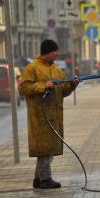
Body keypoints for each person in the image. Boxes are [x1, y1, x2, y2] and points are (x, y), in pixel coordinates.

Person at [18, 39, 79, 189]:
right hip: (40, 116)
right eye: (54, 52)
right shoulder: (32, 68)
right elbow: (23, 89)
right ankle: (45, 180)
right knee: (44, 148)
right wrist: (43, 86)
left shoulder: (57, 69)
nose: (57, 54)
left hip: (55, 115)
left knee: (49, 147)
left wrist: (72, 85)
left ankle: (38, 179)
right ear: (47, 53)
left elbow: (62, 91)